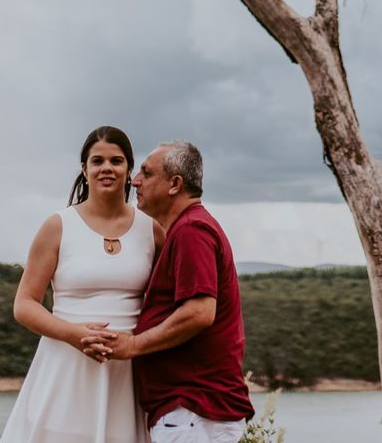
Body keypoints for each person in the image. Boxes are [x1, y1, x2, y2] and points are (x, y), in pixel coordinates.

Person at [84, 141, 254, 443]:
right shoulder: (187, 228)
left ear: (175, 184)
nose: (135, 180)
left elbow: (199, 313)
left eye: (147, 174)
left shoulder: (192, 231)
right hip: (192, 412)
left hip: (194, 410)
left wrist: (133, 345)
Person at [0, 125, 158, 442]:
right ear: (84, 170)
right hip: (65, 365)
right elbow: (25, 305)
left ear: (129, 169)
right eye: (97, 161)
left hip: (125, 373)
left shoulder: (152, 230)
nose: (106, 168)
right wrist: (74, 334)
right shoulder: (58, 226)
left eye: (116, 161)